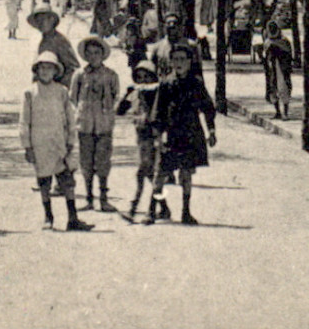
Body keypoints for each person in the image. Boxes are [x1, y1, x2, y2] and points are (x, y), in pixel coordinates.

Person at [19, 53, 94, 232]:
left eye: (49, 68)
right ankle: (48, 216)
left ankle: (73, 218)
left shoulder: (61, 91)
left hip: (59, 143)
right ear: (37, 70)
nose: (45, 71)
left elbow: (69, 118)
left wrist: (70, 141)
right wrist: (27, 146)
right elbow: (24, 121)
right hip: (39, 144)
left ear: (55, 71)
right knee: (44, 181)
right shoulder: (30, 93)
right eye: (42, 68)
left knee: (67, 180)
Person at [148, 42, 217, 226]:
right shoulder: (166, 84)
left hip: (190, 132)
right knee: (160, 173)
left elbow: (207, 108)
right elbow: (158, 111)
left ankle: (186, 212)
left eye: (182, 59)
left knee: (186, 174)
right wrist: (159, 134)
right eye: (175, 59)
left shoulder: (196, 84)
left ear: (189, 61)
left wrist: (211, 129)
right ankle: (151, 211)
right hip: (170, 133)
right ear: (170, 61)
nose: (178, 63)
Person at [71, 34, 122, 212]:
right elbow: (74, 98)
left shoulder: (110, 75)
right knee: (86, 161)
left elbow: (116, 95)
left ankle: (104, 198)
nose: (93, 56)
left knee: (103, 161)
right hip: (85, 124)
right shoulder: (79, 75)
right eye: (89, 53)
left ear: (102, 54)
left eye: (96, 53)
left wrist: (107, 110)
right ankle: (89, 198)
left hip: (104, 124)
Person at [116, 61, 166, 223]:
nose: (143, 81)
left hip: (154, 136)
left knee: (143, 172)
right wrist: (127, 95)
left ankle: (134, 207)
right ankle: (164, 206)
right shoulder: (136, 94)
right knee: (151, 175)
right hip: (141, 137)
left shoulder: (157, 93)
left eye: (146, 77)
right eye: (139, 77)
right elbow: (120, 111)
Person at [25, 4, 79, 87]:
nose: (40, 24)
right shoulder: (44, 40)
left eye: (43, 20)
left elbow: (73, 68)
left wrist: (58, 87)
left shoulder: (60, 40)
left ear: (52, 20)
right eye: (38, 21)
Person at [262, 20, 294, 121]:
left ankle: (285, 112)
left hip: (282, 68)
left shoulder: (284, 41)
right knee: (273, 89)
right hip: (272, 69)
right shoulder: (267, 42)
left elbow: (289, 55)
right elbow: (265, 56)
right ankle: (278, 112)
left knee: (284, 88)